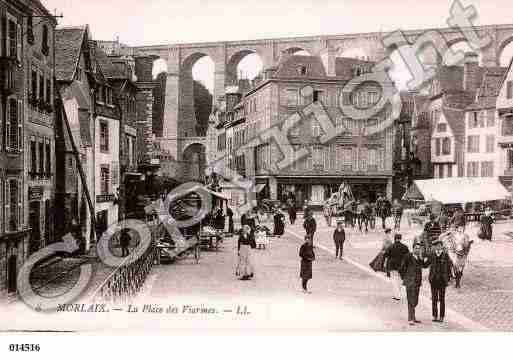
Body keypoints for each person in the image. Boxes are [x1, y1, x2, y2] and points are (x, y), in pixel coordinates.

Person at [400, 243, 429, 326]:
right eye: (416, 248)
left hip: (417, 282)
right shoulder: (407, 256)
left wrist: (426, 259)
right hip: (409, 282)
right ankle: (410, 318)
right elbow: (402, 268)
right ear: (413, 248)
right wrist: (405, 278)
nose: (417, 250)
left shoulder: (419, 258)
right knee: (410, 299)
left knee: (415, 300)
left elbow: (424, 266)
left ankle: (413, 317)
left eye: (419, 248)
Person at [426, 239, 452, 323]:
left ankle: (441, 316)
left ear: (442, 246)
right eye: (436, 246)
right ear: (434, 247)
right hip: (433, 280)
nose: (438, 247)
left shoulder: (445, 255)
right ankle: (434, 316)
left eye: (439, 246)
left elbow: (449, 268)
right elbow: (426, 264)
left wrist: (448, 279)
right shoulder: (432, 255)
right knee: (434, 299)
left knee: (442, 299)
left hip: (442, 280)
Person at [384, 233, 409, 301]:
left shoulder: (391, 246)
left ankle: (397, 295)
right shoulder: (405, 247)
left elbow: (386, 255)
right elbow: (408, 256)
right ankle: (398, 293)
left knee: (394, 280)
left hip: (392, 266)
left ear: (394, 238)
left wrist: (385, 264)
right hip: (401, 266)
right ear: (400, 239)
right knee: (400, 281)